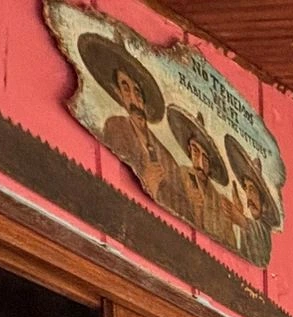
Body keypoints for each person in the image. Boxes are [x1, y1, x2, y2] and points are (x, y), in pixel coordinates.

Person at [77, 34, 184, 213]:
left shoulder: (165, 155)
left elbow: (180, 203)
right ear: (119, 94)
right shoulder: (117, 127)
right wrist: (148, 182)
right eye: (126, 89)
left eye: (137, 92)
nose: (134, 98)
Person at [170, 109, 239, 248]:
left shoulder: (220, 203)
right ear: (189, 150)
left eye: (206, 159)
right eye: (196, 152)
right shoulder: (178, 175)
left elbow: (230, 246)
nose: (201, 164)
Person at [225, 135, 280, 268]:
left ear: (263, 200)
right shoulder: (254, 228)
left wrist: (242, 221)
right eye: (246, 189)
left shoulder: (263, 231)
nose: (248, 197)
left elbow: (262, 250)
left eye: (253, 190)